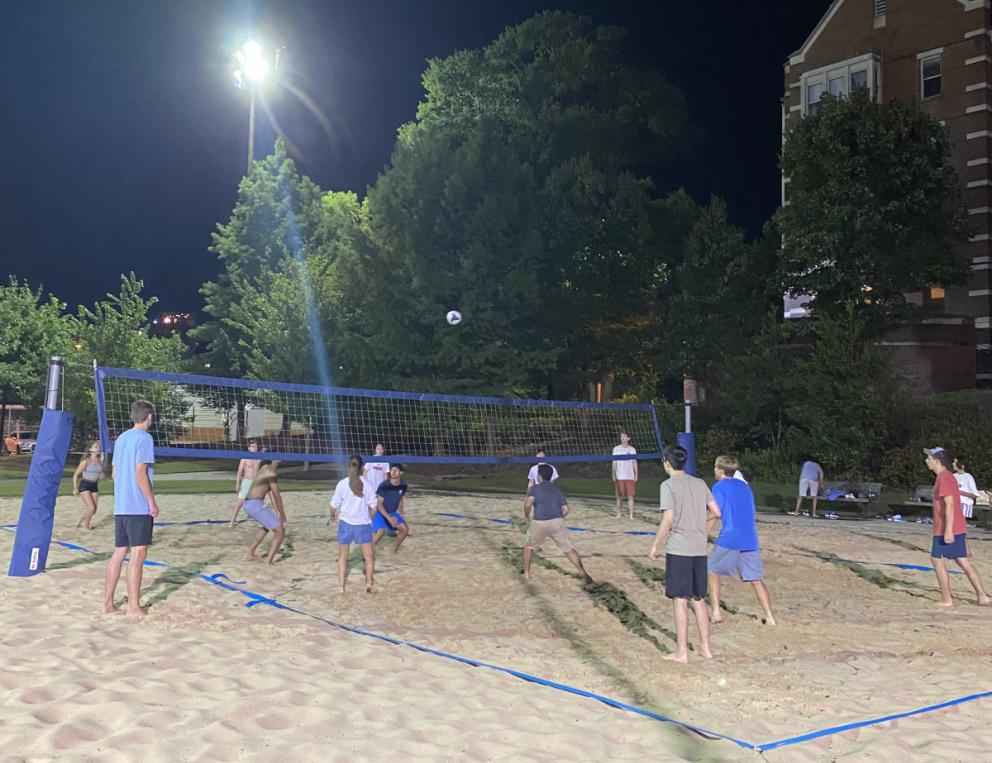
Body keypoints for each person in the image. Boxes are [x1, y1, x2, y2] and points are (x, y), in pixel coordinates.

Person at [648, 445, 721, 663]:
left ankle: (682, 652)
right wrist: (701, 527)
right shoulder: (700, 483)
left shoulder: (668, 485)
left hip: (680, 549)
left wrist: (655, 544)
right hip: (699, 549)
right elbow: (716, 512)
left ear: (667, 464)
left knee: (680, 599)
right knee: (699, 598)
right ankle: (706, 649)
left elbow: (668, 518)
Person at [103, 400, 158, 618]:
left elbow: (115, 474)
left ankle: (107, 604)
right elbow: (140, 473)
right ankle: (133, 607)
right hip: (137, 505)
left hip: (121, 505)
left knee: (118, 553)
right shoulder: (145, 438)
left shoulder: (122, 439)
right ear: (149, 417)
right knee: (138, 553)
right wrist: (151, 502)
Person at [707, 456, 776, 626]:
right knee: (756, 579)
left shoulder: (719, 487)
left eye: (715, 467)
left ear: (721, 470)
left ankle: (716, 612)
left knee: (712, 570)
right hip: (750, 537)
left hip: (731, 536)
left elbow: (716, 513)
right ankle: (770, 617)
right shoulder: (745, 487)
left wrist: (701, 530)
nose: (714, 470)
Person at [924, 447, 990, 607]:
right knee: (963, 561)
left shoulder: (944, 478)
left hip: (947, 527)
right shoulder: (947, 477)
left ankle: (947, 599)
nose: (927, 461)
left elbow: (950, 505)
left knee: (937, 560)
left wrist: (947, 531)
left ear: (937, 461)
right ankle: (982, 597)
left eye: (929, 458)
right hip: (955, 526)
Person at [523, 464, 593, 584]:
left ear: (539, 476)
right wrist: (557, 517)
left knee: (529, 547)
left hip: (540, 521)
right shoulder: (557, 489)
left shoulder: (534, 488)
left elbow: (528, 504)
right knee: (568, 549)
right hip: (557, 522)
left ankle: (527, 574)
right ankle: (583, 572)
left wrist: (526, 516)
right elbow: (566, 510)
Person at [330, 454, 377, 593]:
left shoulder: (342, 484)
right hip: (362, 524)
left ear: (348, 467)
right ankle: (368, 583)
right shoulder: (367, 485)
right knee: (368, 556)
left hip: (346, 523)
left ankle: (341, 587)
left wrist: (332, 516)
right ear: (362, 468)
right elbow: (374, 507)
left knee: (343, 556)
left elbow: (333, 506)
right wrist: (369, 518)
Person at [242, 460, 286, 565]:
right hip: (254, 504)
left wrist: (277, 511)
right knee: (280, 530)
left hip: (249, 503)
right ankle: (269, 561)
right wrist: (282, 513)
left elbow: (269, 491)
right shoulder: (271, 473)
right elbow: (277, 496)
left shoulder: (265, 467)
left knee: (266, 527)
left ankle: (250, 554)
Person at [372, 464, 411, 552]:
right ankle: (366, 550)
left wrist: (400, 512)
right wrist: (389, 518)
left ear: (401, 473)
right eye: (392, 470)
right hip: (380, 512)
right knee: (380, 532)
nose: (393, 472)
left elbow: (400, 498)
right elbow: (379, 505)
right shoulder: (384, 485)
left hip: (392, 512)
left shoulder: (403, 485)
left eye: (396, 470)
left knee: (405, 530)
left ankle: (393, 550)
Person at [228, 440, 262, 526]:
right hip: (246, 482)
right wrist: (237, 484)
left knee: (258, 503)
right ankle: (232, 521)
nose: (255, 448)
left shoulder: (259, 457)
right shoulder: (244, 458)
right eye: (253, 446)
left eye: (256, 446)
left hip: (256, 482)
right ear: (249, 448)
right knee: (239, 503)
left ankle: (261, 521)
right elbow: (239, 472)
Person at [73, 441, 105, 530]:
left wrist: (102, 475)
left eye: (98, 447)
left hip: (94, 485)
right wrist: (75, 488)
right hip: (85, 485)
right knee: (91, 508)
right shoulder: (85, 462)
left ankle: (80, 521)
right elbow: (76, 475)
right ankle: (86, 527)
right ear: (90, 449)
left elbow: (102, 476)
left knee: (93, 510)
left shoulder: (100, 462)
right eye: (95, 447)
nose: (98, 449)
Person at [612, 432, 638, 520]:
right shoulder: (616, 449)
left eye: (624, 436)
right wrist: (613, 474)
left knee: (630, 496)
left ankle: (631, 515)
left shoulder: (632, 449)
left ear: (628, 438)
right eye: (621, 437)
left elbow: (634, 462)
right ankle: (619, 514)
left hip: (630, 476)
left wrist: (636, 474)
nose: (622, 438)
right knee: (619, 497)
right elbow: (614, 463)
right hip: (620, 476)